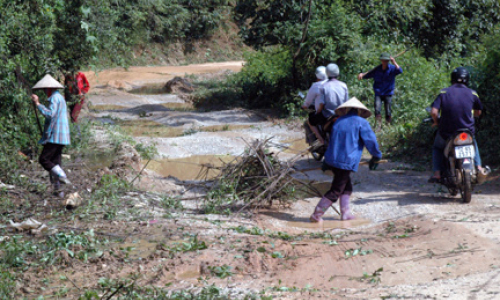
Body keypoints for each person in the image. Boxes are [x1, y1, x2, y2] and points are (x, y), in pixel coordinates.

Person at [310, 97, 382, 222]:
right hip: (345, 162)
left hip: (333, 159)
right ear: (360, 111)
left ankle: (345, 213)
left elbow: (332, 141)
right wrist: (376, 156)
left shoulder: (338, 121)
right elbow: (371, 141)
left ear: (346, 109)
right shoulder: (362, 122)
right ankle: (317, 214)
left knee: (347, 187)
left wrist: (327, 160)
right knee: (336, 190)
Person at [428, 67, 484, 183]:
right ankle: (479, 168)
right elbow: (478, 113)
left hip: (447, 132)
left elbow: (434, 112)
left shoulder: (444, 92)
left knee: (437, 148)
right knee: (473, 142)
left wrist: (436, 121)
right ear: (467, 79)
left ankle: (437, 173)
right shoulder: (473, 93)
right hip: (466, 132)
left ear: (452, 79)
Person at [31, 74, 71, 197]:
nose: (44, 92)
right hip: (61, 136)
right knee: (55, 163)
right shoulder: (59, 97)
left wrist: (38, 104)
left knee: (44, 159)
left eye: (45, 89)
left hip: (55, 135)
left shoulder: (54, 98)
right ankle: (58, 193)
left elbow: (50, 114)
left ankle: (62, 176)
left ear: (49, 89)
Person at [358, 52, 403, 130]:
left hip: (388, 93)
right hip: (378, 92)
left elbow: (400, 71)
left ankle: (387, 126)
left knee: (388, 111)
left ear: (388, 61)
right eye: (383, 60)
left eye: (386, 60)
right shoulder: (377, 69)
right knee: (377, 109)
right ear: (381, 60)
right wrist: (361, 74)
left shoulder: (392, 68)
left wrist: (394, 62)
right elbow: (367, 74)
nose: (384, 62)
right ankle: (378, 127)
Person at [301, 66, 328, 145]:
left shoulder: (316, 85)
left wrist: (304, 106)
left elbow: (307, 102)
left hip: (324, 113)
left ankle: (321, 140)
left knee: (310, 121)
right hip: (337, 111)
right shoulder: (333, 83)